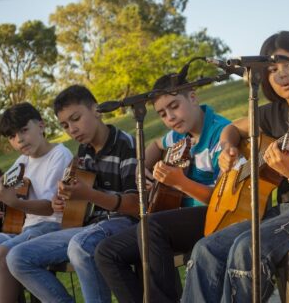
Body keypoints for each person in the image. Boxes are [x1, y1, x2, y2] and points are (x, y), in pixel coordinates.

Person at [181, 31, 289, 303]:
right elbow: (232, 128)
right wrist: (227, 148)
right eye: (272, 69)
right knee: (205, 248)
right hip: (280, 211)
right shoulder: (272, 112)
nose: (281, 74)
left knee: (247, 248)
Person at [94, 68, 231, 303]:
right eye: (162, 113)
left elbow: (222, 199)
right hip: (176, 218)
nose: (170, 117)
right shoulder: (179, 135)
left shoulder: (219, 131)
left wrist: (180, 182)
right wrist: (142, 167)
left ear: (193, 97)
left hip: (213, 216)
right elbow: (157, 144)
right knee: (106, 252)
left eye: (174, 106)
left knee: (151, 227)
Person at [6, 85, 139, 303]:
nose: (72, 130)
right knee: (17, 257)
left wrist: (89, 194)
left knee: (80, 247)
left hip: (122, 223)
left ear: (96, 110)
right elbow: (79, 201)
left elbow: (135, 205)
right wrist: (63, 201)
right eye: (65, 125)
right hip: (87, 227)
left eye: (76, 119)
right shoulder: (84, 151)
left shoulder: (126, 144)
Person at [0, 102, 73, 303]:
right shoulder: (22, 161)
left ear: (41, 125)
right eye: (12, 136)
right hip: (23, 229)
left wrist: (15, 203)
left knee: (1, 255)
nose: (19, 139)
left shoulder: (59, 155)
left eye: (24, 130)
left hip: (52, 226)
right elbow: (1, 183)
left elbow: (48, 206)